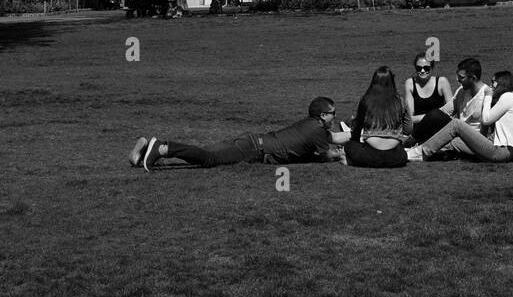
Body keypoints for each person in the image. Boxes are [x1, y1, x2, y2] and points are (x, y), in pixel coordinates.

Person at [130, 98, 350, 171]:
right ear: (323, 115)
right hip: (252, 149)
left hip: (252, 142)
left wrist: (356, 136)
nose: (335, 116)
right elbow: (326, 154)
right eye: (333, 114)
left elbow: (334, 139)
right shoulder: (317, 131)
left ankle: (142, 153)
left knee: (208, 154)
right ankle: (162, 147)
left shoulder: (311, 126)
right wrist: (340, 156)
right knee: (209, 159)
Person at [406, 70, 513, 163]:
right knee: (453, 142)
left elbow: (486, 119)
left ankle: (419, 153)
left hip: (497, 151)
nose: (491, 86)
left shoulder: (508, 97)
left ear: (502, 83)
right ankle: (414, 151)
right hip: (500, 151)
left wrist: (488, 97)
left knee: (456, 125)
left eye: (493, 82)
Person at [346, 67, 414, 168]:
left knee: (349, 145)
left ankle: (350, 161)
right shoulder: (400, 101)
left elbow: (356, 126)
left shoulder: (365, 100)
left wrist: (355, 140)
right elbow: (408, 129)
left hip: (370, 155)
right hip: (396, 157)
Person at [404, 54, 453, 144]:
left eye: (426, 68)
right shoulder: (410, 83)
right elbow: (410, 118)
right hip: (419, 130)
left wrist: (429, 117)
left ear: (432, 68)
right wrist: (432, 116)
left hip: (438, 129)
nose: (422, 71)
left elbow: (451, 112)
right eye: (419, 68)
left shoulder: (442, 82)